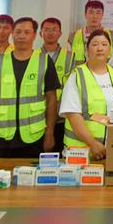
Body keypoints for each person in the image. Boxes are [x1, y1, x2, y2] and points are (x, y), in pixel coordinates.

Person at [0, 17, 60, 158]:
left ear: (34, 35)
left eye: (27, 32)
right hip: (2, 138)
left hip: (34, 137)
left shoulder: (45, 61)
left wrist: (49, 133)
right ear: (12, 34)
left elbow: (52, 100)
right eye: (18, 32)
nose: (22, 36)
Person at [59, 30, 113, 160]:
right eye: (95, 44)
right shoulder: (77, 76)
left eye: (104, 44)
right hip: (80, 153)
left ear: (110, 50)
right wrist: (93, 144)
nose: (100, 48)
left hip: (111, 151)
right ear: (87, 49)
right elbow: (73, 115)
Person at [39, 17, 73, 153]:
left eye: (54, 30)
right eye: (47, 30)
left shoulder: (70, 56)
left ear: (60, 33)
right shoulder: (33, 56)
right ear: (40, 33)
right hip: (38, 116)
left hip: (61, 117)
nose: (50, 33)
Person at [68, 0, 113, 69]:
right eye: (91, 12)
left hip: (104, 73)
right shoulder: (73, 36)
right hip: (80, 73)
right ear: (85, 15)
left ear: (102, 15)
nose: (94, 16)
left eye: (98, 13)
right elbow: (69, 61)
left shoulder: (112, 36)